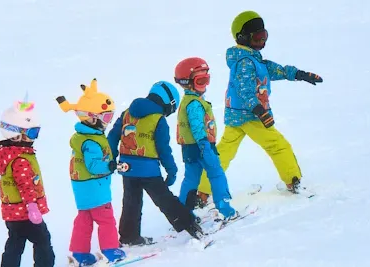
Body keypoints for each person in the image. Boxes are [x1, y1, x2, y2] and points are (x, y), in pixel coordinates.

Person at [195, 10, 324, 205]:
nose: (262, 41)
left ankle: (203, 192)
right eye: (257, 37)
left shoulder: (251, 58)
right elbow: (245, 90)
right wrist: (259, 111)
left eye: (264, 36)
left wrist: (300, 74)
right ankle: (293, 181)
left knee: (223, 152)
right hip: (251, 116)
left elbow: (275, 69)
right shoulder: (246, 62)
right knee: (277, 145)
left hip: (235, 115)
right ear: (242, 37)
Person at [106, 80, 206, 245]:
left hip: (127, 168)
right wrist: (171, 170)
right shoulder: (159, 120)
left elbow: (113, 136)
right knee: (164, 199)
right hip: (148, 170)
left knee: (131, 202)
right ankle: (189, 224)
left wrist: (111, 157)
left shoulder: (127, 113)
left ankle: (129, 236)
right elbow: (163, 149)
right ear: (168, 103)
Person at [56, 78, 127, 266]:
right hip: (95, 186)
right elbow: (94, 166)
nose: (108, 122)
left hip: (81, 187)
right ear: (90, 117)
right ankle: (111, 251)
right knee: (106, 219)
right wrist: (111, 166)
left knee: (84, 219)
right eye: (105, 117)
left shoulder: (82, 137)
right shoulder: (91, 141)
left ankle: (80, 253)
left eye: (110, 117)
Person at [172, 57, 238, 219]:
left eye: (207, 80)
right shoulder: (194, 104)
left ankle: (183, 212)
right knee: (216, 174)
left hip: (189, 148)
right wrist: (204, 145)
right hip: (202, 146)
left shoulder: (188, 101)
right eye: (201, 81)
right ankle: (225, 208)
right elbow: (197, 126)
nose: (205, 85)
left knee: (191, 179)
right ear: (187, 82)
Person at [0, 96, 55, 267]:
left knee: (15, 241)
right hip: (26, 212)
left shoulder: (6, 154)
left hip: (11, 212)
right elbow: (25, 185)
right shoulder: (21, 159)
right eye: (31, 133)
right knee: (43, 240)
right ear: (15, 135)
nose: (34, 137)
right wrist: (32, 207)